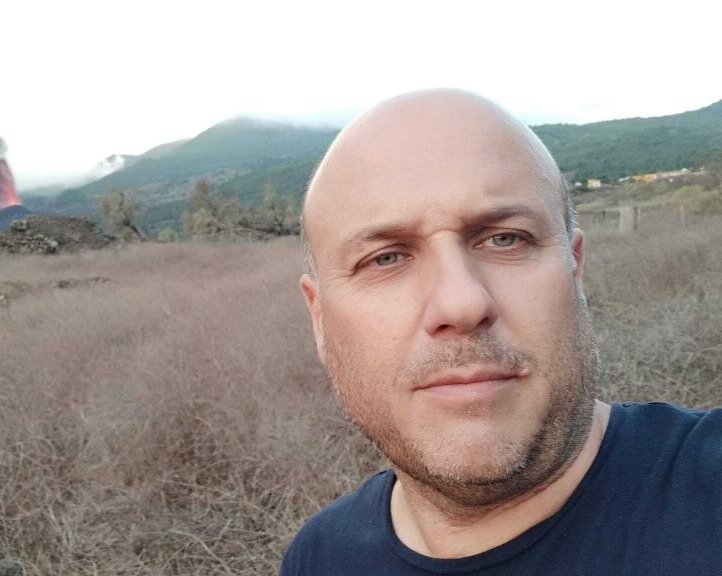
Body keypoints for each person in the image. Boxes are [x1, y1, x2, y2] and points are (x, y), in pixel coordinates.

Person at [283, 89, 722, 575]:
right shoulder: (318, 558)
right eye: (385, 257)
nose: (462, 303)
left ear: (573, 270)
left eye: (505, 239)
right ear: (320, 320)